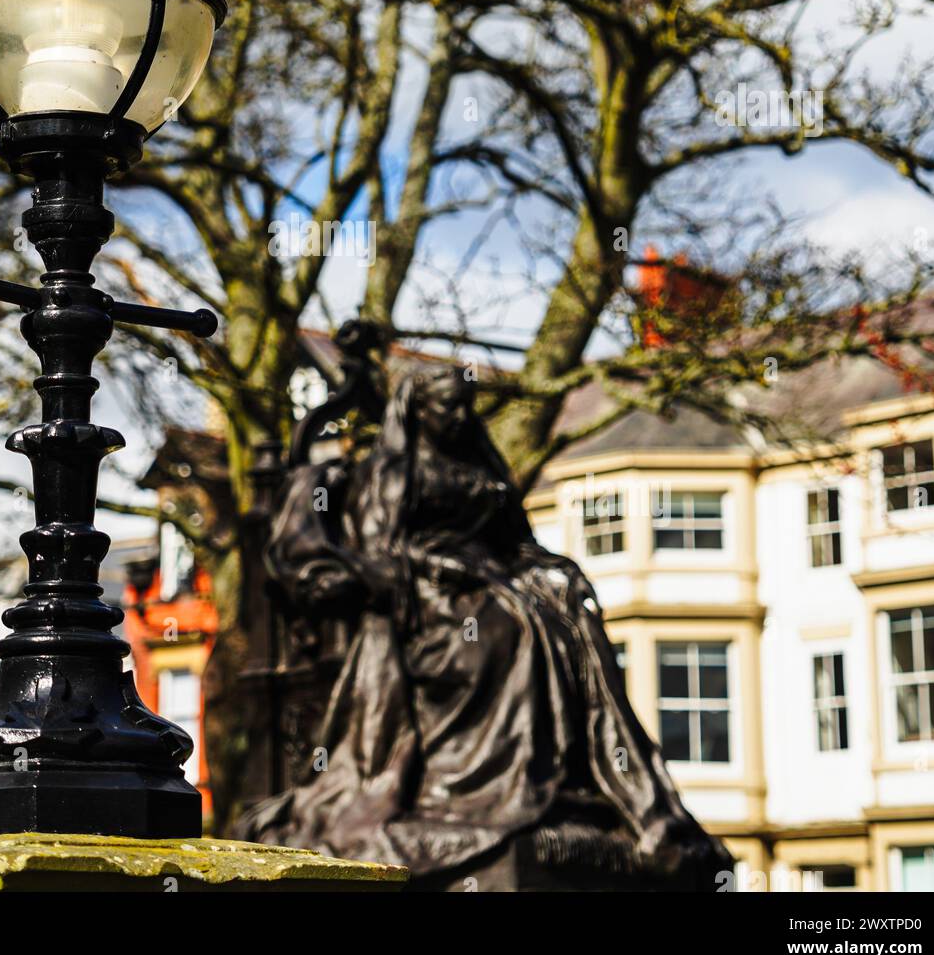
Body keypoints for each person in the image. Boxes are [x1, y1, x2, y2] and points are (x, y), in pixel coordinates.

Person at [240, 365, 732, 890]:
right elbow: (379, 552)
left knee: (572, 618)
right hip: (425, 601)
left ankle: (591, 788)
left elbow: (516, 538)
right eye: (446, 406)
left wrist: (554, 569)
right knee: (508, 632)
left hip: (497, 577)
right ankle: (498, 782)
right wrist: (439, 565)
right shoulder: (392, 470)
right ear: (417, 409)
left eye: (463, 405)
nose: (458, 416)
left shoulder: (478, 460)